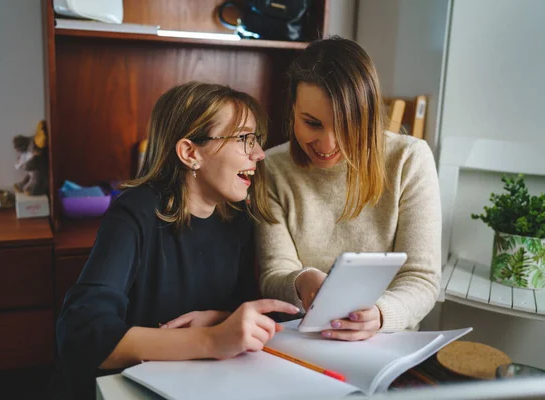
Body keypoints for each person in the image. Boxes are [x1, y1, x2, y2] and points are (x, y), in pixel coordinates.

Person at [55, 82, 299, 399]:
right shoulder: (134, 212)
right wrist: (212, 340)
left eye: (256, 139)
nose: (259, 153)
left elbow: (243, 307)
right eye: (243, 139)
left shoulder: (238, 217)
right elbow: (82, 334)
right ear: (189, 152)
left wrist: (221, 320)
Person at [256, 36, 441, 341]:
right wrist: (301, 281)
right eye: (312, 123)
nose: (328, 145)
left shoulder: (409, 159)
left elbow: (422, 278)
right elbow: (273, 274)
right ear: (292, 109)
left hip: (388, 341)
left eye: (345, 125)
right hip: (302, 341)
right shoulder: (272, 167)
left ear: (367, 116)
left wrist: (380, 314)